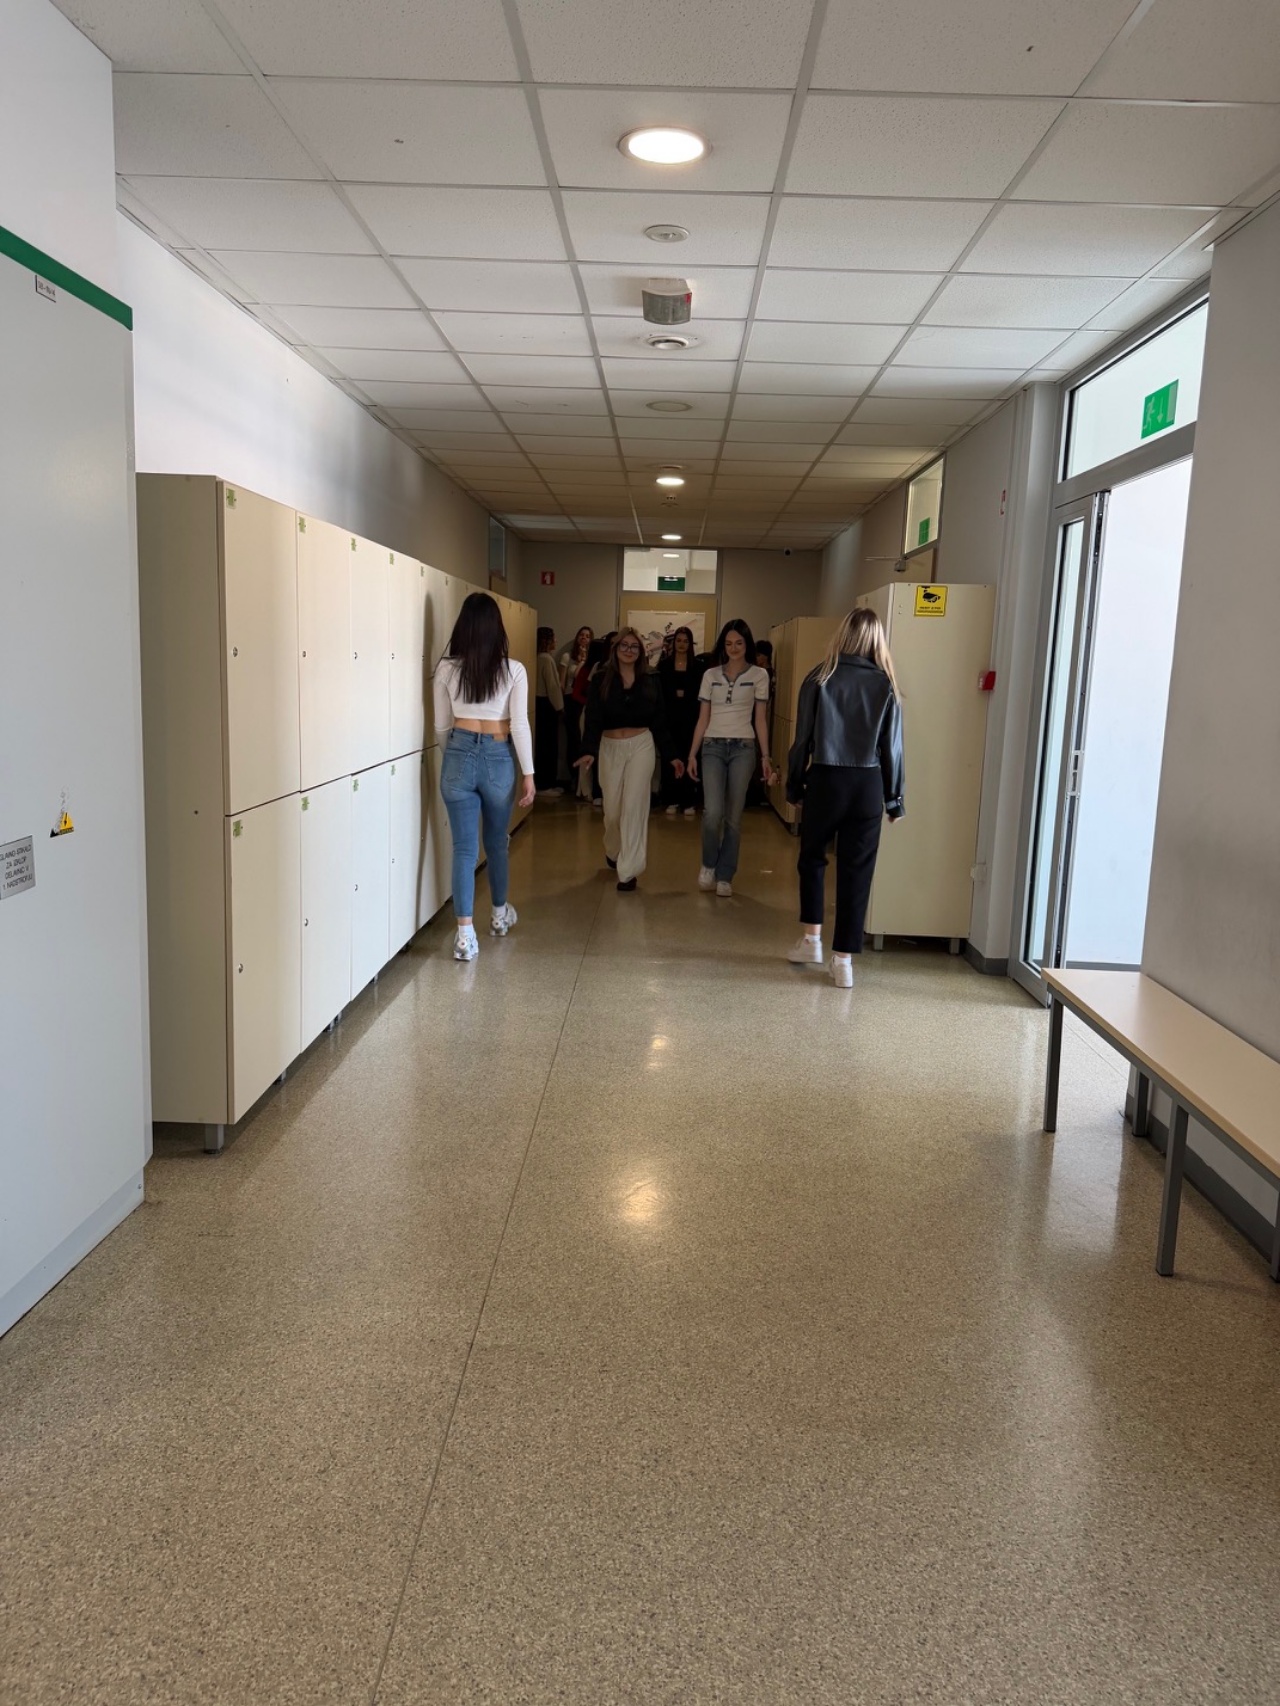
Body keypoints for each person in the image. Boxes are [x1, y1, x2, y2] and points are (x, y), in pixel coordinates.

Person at [785, 608, 904, 989]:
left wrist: (793, 785)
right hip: (867, 783)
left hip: (826, 778)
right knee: (857, 871)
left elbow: (803, 738)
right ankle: (844, 962)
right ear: (877, 640)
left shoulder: (819, 677)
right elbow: (893, 748)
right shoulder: (886, 684)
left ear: (843, 634)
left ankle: (812, 940)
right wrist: (894, 798)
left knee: (813, 858)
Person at [433, 591, 535, 961]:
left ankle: (464, 936)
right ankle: (498, 915)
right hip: (497, 755)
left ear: (463, 627)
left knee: (463, 849)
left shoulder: (446, 669)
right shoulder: (514, 670)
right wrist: (529, 773)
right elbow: (519, 725)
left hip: (458, 752)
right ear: (497, 628)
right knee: (496, 842)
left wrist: (455, 758)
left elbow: (441, 727)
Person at [576, 628, 683, 891]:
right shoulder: (601, 678)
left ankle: (629, 871)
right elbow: (593, 718)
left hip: (641, 746)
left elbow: (660, 720)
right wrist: (588, 749)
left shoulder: (651, 679)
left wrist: (671, 756)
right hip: (610, 747)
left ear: (641, 651)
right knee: (613, 812)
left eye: (634, 646)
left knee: (634, 807)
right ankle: (613, 849)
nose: (629, 650)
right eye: (624, 645)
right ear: (615, 649)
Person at [687, 620, 776, 898]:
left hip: (743, 748)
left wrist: (766, 756)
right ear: (722, 646)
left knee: (734, 817)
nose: (733, 648)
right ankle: (708, 864)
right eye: (728, 643)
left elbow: (760, 720)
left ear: (747, 644)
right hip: (712, 746)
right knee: (712, 813)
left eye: (738, 643)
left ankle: (725, 875)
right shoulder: (710, 675)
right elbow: (703, 718)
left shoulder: (759, 675)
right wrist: (692, 754)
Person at [658, 626, 703, 818]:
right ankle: (671, 799)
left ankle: (689, 800)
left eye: (685, 641)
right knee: (671, 756)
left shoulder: (698, 666)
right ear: (673, 642)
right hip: (669, 717)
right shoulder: (664, 666)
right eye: (678, 640)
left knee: (690, 756)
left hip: (691, 718)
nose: (682, 644)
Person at [560, 626, 594, 795]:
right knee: (573, 740)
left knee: (585, 739)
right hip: (570, 699)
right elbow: (563, 681)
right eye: (581, 635)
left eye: (587, 636)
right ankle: (574, 778)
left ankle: (585, 781)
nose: (584, 638)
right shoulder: (568, 657)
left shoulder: (592, 659)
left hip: (585, 700)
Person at [534, 626, 564, 797]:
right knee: (548, 745)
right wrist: (560, 707)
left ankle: (544, 783)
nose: (556, 641)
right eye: (553, 638)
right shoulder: (546, 659)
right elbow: (553, 687)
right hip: (547, 705)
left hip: (538, 703)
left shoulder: (537, 657)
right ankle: (545, 784)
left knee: (542, 744)